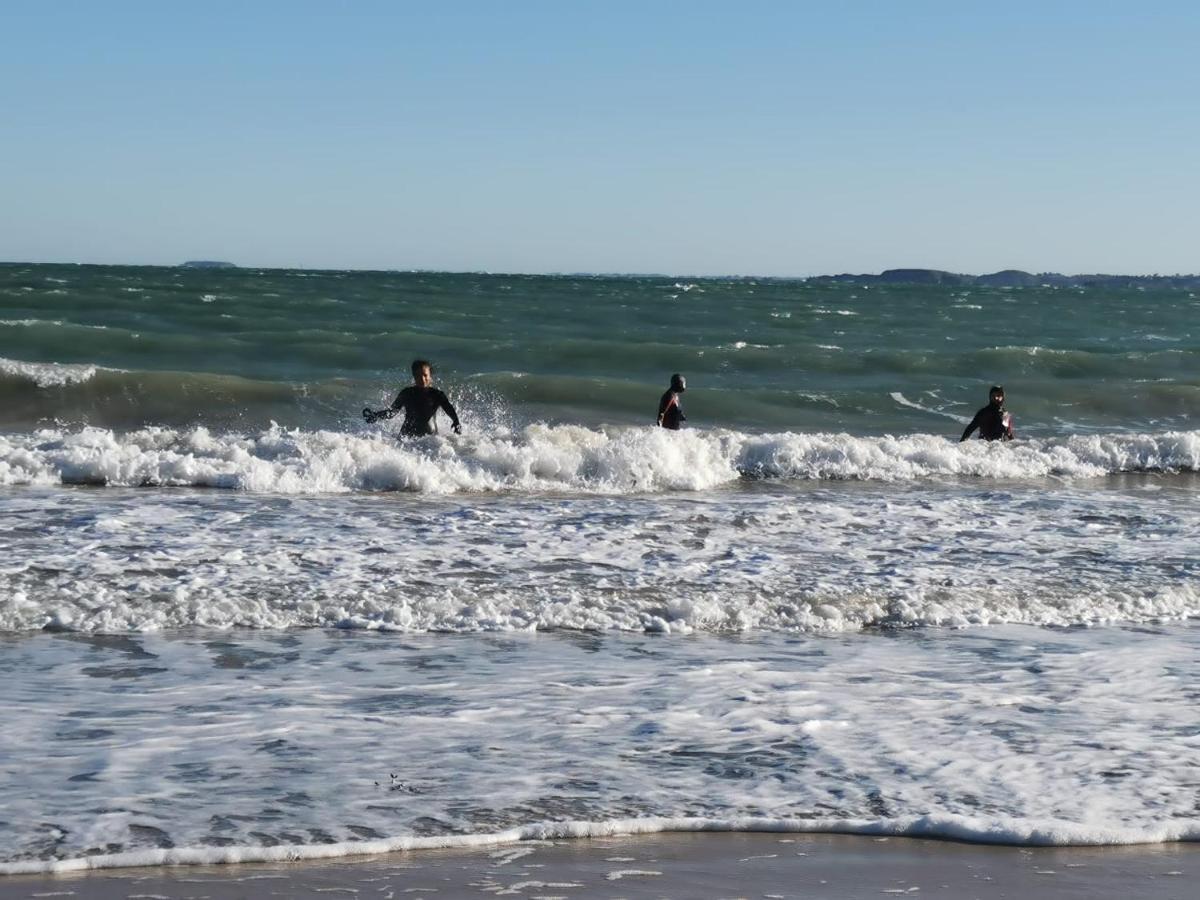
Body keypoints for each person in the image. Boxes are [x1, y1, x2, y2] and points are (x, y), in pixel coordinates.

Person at [363, 359, 461, 436]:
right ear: (414, 376)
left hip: (431, 440)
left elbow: (449, 409)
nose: (422, 379)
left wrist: (456, 421)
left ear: (430, 376)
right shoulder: (407, 393)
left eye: (425, 375)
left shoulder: (437, 394)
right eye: (418, 375)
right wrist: (376, 415)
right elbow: (392, 412)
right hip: (406, 437)